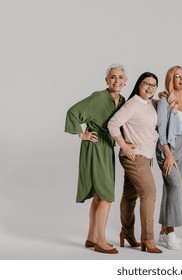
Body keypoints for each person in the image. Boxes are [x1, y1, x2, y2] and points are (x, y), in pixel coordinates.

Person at [65, 64, 127, 254]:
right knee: (107, 195)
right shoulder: (98, 97)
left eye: (120, 77)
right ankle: (101, 240)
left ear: (126, 81)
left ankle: (91, 237)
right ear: (106, 80)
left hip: (107, 147)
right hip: (95, 146)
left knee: (100, 196)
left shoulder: (123, 100)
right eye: (112, 77)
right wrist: (81, 135)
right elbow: (72, 112)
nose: (116, 80)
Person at [108, 72, 162, 253]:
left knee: (130, 196)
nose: (149, 88)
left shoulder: (149, 104)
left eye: (153, 85)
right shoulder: (132, 104)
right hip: (134, 156)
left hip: (145, 156)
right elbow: (113, 124)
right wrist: (124, 145)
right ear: (139, 84)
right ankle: (148, 238)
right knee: (149, 192)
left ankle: (126, 233)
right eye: (146, 83)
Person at [156, 66, 182, 250]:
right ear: (171, 80)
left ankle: (163, 232)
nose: (181, 78)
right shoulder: (165, 101)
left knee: (175, 188)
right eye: (176, 76)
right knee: (175, 186)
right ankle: (170, 232)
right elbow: (161, 132)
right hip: (168, 147)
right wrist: (168, 155)